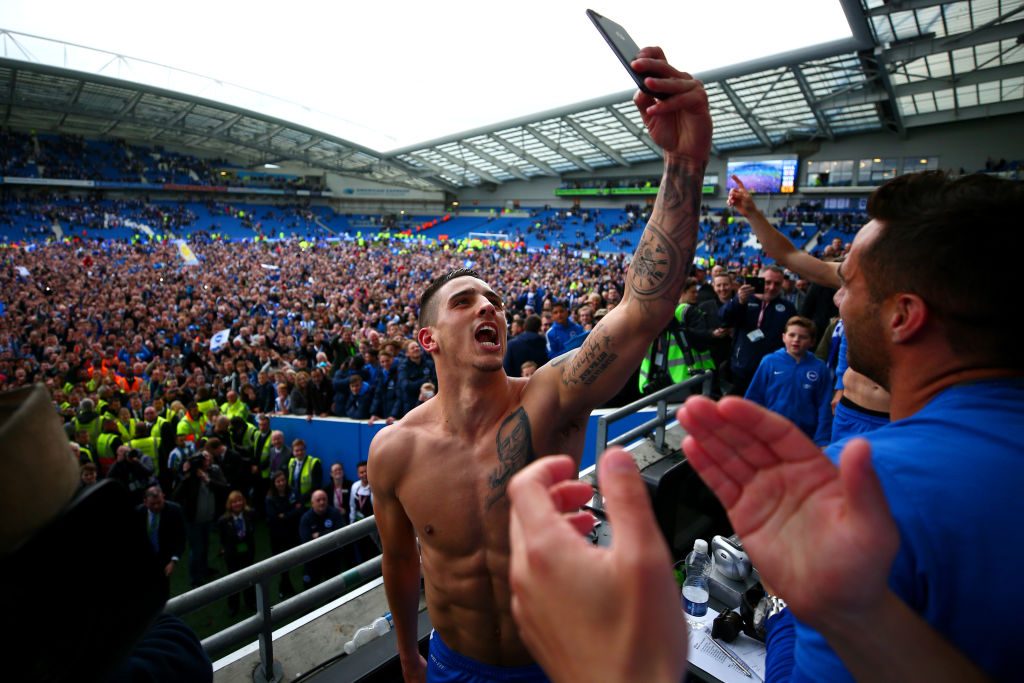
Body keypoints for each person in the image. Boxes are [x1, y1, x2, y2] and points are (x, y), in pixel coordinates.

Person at [509, 171, 1020, 683]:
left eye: (847, 283)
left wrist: (780, 604)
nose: (835, 300)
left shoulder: (869, 487)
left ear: (903, 316)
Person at [370, 46, 711, 682]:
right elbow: (400, 562)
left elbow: (641, 309)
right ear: (428, 340)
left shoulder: (548, 399)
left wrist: (684, 161)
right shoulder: (395, 452)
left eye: (494, 300)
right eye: (464, 301)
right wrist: (408, 658)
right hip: (451, 667)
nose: (486, 307)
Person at [727, 176, 889, 441]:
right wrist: (753, 215)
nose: (838, 299)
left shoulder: (924, 290)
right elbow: (790, 257)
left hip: (890, 419)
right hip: (848, 410)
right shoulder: (860, 273)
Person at [744, 316, 832, 446]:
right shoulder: (769, 362)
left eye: (803, 337)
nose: (796, 340)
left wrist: (822, 439)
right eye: (792, 335)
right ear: (784, 337)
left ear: (812, 342)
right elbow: (754, 397)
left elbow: (825, 406)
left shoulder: (820, 368)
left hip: (805, 435)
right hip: (771, 432)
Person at [720, 265, 796, 396]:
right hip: (742, 368)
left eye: (777, 284)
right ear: (759, 280)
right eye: (767, 282)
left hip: (773, 370)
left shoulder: (787, 308)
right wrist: (738, 301)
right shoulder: (744, 300)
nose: (772, 287)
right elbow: (723, 318)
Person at [137, 485, 186, 587]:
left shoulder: (175, 510)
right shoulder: (138, 512)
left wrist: (173, 561)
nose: (156, 506)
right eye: (152, 504)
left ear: (163, 497)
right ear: (145, 502)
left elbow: (180, 538)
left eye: (159, 503)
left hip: (163, 559)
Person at [217, 490, 257, 615]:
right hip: (232, 554)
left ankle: (250, 602)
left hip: (248, 552)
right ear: (230, 504)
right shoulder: (223, 520)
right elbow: (222, 538)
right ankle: (233, 606)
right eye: (234, 502)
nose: (237, 504)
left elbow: (252, 530)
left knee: (249, 577)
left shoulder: (250, 514)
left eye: (239, 500)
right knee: (233, 580)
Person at [298, 489, 346, 589]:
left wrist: (319, 535)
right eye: (318, 500)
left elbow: (341, 534)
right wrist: (330, 534)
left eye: (324, 499)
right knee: (310, 591)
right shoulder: (306, 518)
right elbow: (306, 541)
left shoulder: (334, 513)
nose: (322, 502)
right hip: (314, 561)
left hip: (332, 559)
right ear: (312, 503)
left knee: (334, 590)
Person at [265, 470, 302, 599]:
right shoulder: (270, 498)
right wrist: (290, 513)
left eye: (283, 480)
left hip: (291, 533)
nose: (281, 483)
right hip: (277, 536)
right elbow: (274, 517)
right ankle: (284, 586)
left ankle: (286, 585)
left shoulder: (292, 491)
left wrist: (284, 515)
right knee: (281, 563)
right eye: (278, 481)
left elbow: (299, 508)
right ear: (274, 483)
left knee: (291, 560)